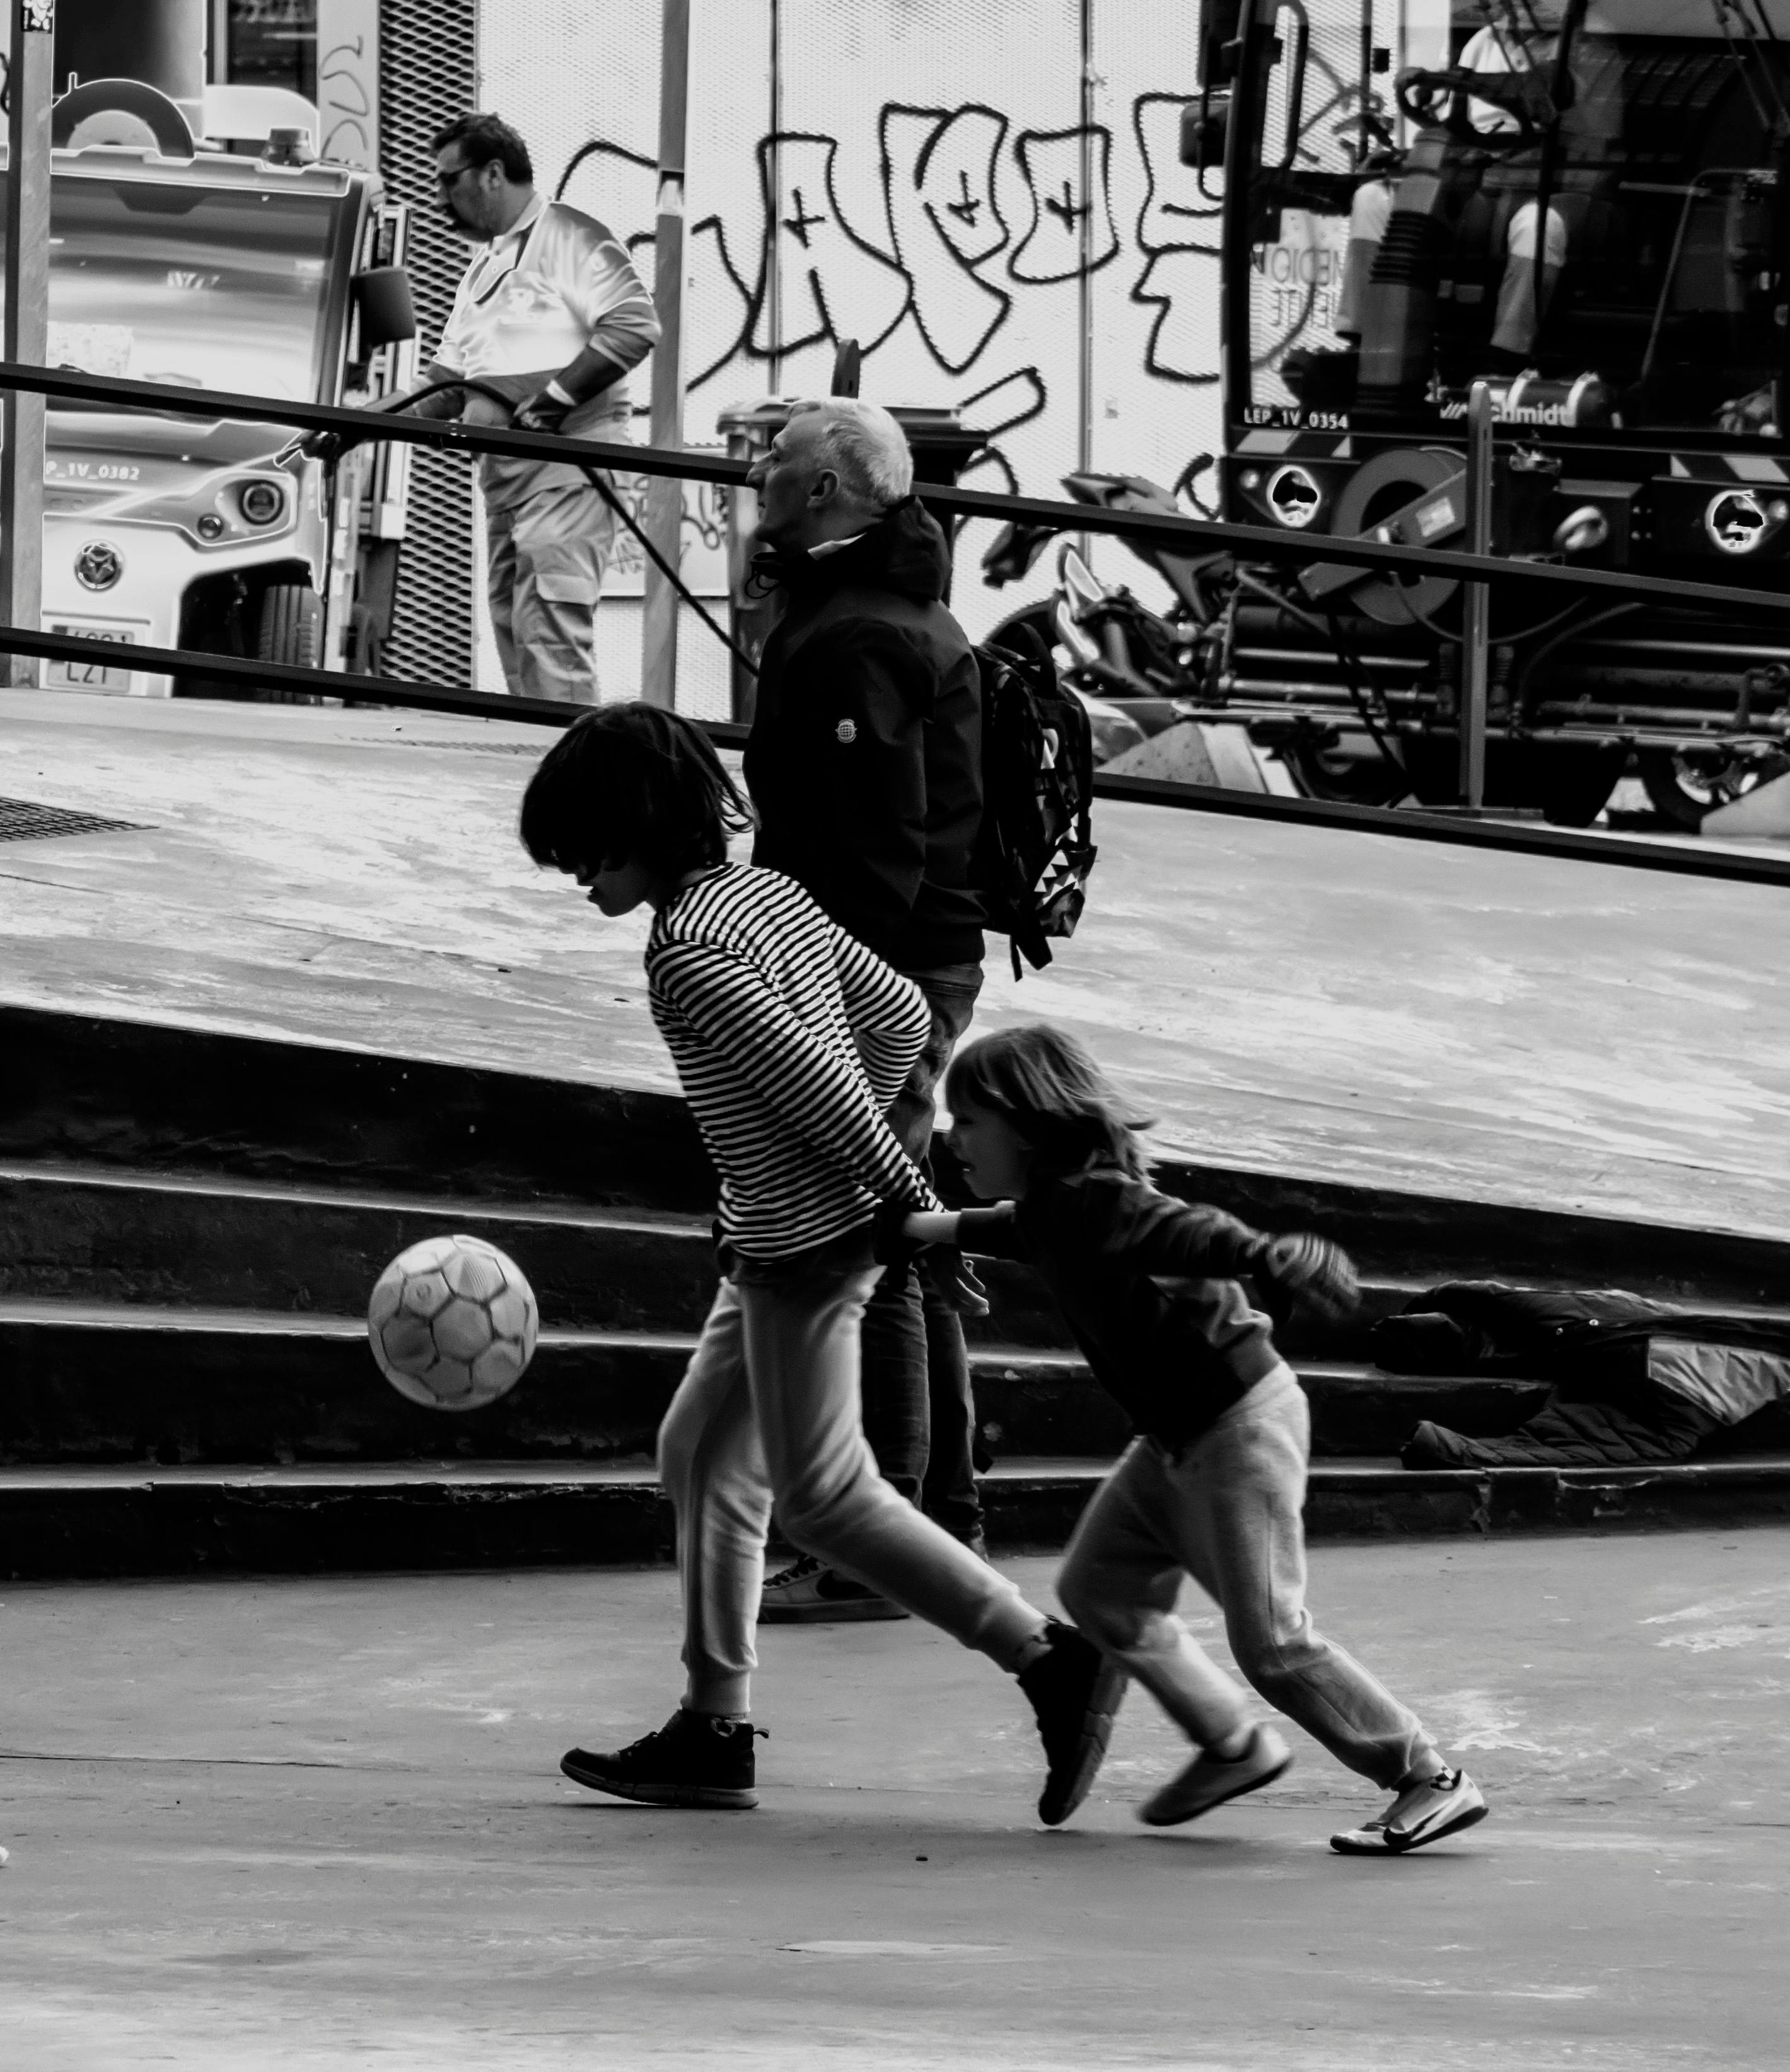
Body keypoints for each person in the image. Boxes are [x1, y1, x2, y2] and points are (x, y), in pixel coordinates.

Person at [518, 702, 1096, 1814]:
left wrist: (907, 1206)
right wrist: (855, 1169)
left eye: (582, 851)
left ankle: (1049, 1659)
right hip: (784, 1229)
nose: (574, 877)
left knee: (827, 1501)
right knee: (701, 1453)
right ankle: (713, 1722)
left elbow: (824, 1091)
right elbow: (892, 1017)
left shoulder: (689, 949)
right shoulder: (767, 894)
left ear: (632, 822)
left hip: (803, 1248)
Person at [909, 1020, 1491, 1854]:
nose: (951, 1136)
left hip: (1236, 1424)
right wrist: (914, 1229)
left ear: (1028, 1121)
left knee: (1271, 1641)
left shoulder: (1095, 1197)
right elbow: (1006, 1228)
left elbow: (1179, 1229)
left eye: (966, 1119)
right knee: (1100, 1590)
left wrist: (1263, 1252)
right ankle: (1230, 1742)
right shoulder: (1051, 1205)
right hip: (1175, 1434)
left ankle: (1427, 1775)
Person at [738, 398, 989, 1619]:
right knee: (901, 1231)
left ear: (829, 489)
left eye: (777, 465)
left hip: (879, 969)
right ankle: (940, 1512)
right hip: (907, 960)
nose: (759, 477)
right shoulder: (871, 610)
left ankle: (866, 1537)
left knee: (867, 1243)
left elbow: (870, 851)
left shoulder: (858, 637)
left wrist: (827, 1004)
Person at [359, 112, 659, 704]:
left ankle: (574, 778)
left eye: (449, 181)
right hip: (507, 481)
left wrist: (552, 403)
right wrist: (357, 425)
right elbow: (444, 383)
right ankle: (542, 769)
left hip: (568, 468)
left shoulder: (569, 237)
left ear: (492, 174)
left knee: (548, 629)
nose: (440, 196)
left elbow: (634, 325)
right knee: (516, 630)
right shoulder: (484, 266)